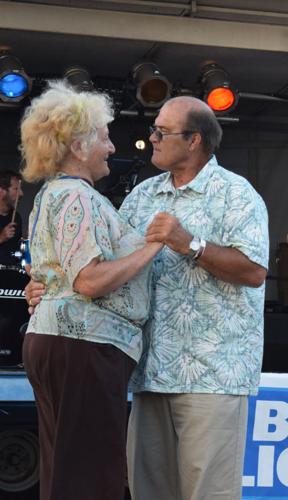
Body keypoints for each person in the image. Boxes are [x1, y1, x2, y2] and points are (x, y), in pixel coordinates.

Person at [119, 96, 268, 500]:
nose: (152, 138)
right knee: (147, 489)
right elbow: (112, 264)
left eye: (162, 132)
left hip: (212, 375)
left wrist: (191, 243)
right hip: (150, 370)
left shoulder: (237, 194)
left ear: (194, 140)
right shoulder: (142, 196)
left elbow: (254, 271)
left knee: (208, 493)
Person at [19, 82, 162, 500]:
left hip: (67, 341)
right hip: (84, 345)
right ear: (79, 147)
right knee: (89, 475)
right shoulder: (77, 197)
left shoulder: (54, 195)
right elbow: (89, 280)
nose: (111, 146)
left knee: (70, 469)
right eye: (103, 136)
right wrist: (152, 248)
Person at [0, 169, 24, 265]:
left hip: (13, 273)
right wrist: (1, 237)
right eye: (16, 189)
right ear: (1, 191)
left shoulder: (16, 217)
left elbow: (19, 252)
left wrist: (26, 241)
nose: (21, 194)